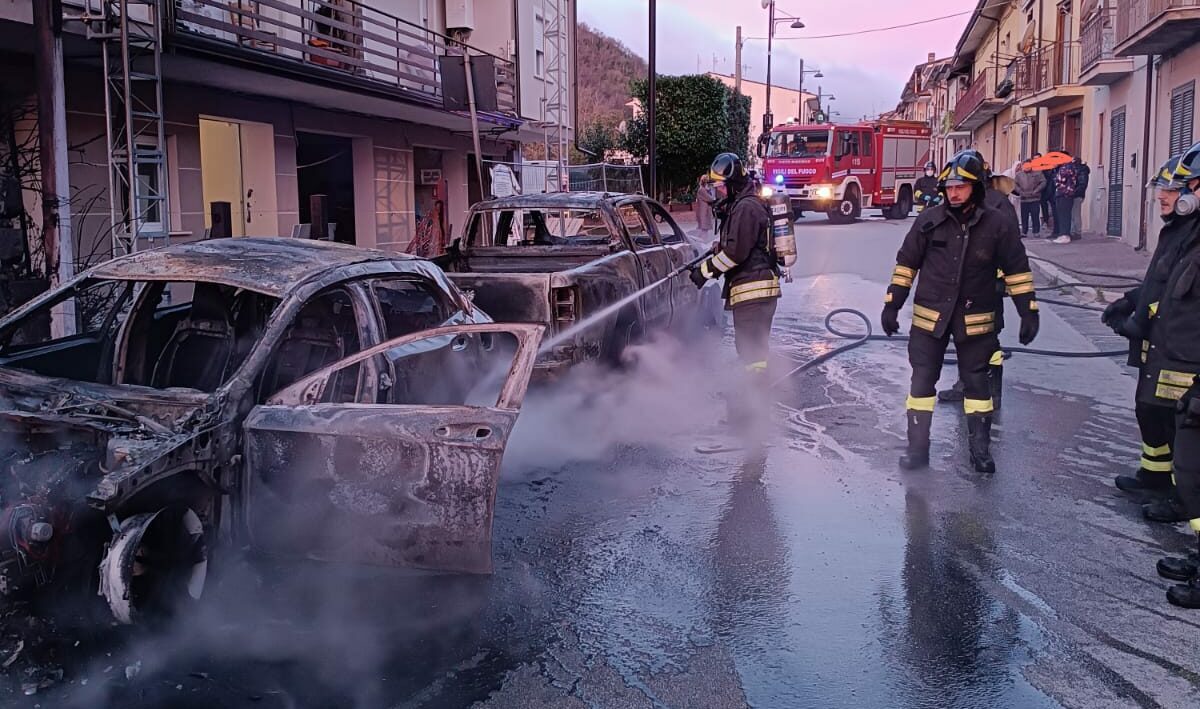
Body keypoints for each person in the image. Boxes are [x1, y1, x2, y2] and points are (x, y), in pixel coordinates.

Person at [882, 150, 1040, 473]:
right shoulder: (929, 221)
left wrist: (1028, 312)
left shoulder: (997, 224)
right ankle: (917, 449)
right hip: (930, 319)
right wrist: (892, 304)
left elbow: (1017, 270)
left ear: (976, 188)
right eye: (950, 188)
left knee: (977, 385)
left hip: (975, 319)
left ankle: (980, 451)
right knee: (921, 383)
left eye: (961, 187)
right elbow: (906, 265)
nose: (954, 193)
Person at [1123, 140, 1200, 608]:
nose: (1166, 197)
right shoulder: (1185, 234)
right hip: (1174, 351)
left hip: (1187, 361)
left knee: (1192, 467)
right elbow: (1166, 288)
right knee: (1174, 443)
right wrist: (1134, 309)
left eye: (1179, 188)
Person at [1105, 155, 1197, 503]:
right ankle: (1155, 475)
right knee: (1149, 409)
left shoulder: (1194, 234)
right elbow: (1162, 279)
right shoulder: (1177, 230)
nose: (1162, 196)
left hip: (1182, 348)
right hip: (1160, 343)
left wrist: (1140, 322)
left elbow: (1182, 296)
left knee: (1179, 421)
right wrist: (1131, 302)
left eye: (1172, 189)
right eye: (1161, 187)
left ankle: (1182, 496)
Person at [691, 153, 781, 385]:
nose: (719, 192)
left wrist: (705, 271)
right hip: (757, 289)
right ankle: (757, 388)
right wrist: (719, 247)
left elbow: (735, 254)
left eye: (721, 186)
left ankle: (755, 392)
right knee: (754, 347)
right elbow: (741, 244)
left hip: (753, 290)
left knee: (751, 348)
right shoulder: (744, 204)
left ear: (733, 184)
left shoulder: (746, 208)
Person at [1051, 150, 1079, 243]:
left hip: (1065, 193)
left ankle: (1065, 235)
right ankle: (1062, 233)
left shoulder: (1067, 167)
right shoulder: (1063, 167)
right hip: (1061, 193)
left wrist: (1055, 171)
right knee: (1061, 214)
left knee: (1064, 214)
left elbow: (1059, 180)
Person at [1014, 161, 1047, 237]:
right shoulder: (1019, 174)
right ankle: (1024, 232)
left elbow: (1043, 182)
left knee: (1035, 215)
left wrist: (1037, 190)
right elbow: (1015, 184)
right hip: (1024, 198)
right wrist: (1020, 191)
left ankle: (1036, 231)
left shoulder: (1038, 173)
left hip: (1035, 198)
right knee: (1024, 216)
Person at [1071, 156, 1090, 240]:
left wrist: (1074, 192)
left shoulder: (1081, 171)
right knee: (1073, 214)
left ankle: (1077, 232)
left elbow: (1082, 184)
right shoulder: (1079, 170)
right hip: (1075, 194)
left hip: (1077, 195)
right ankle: (1073, 231)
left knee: (1075, 214)